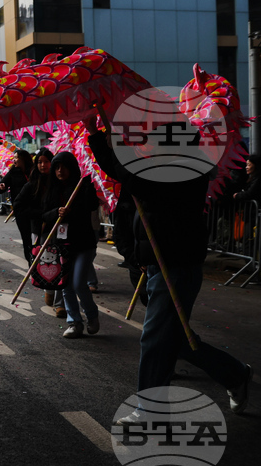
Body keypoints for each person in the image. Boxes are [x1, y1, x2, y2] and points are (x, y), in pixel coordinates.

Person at [85, 118, 252, 421]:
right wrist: (103, 135)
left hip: (176, 265)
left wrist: (99, 137)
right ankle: (235, 374)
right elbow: (129, 175)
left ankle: (149, 410)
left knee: (156, 338)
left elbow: (129, 176)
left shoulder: (184, 173)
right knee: (173, 339)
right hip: (161, 264)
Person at [41, 152, 100, 338]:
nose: (60, 171)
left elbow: (91, 207)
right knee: (65, 285)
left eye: (64, 166)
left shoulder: (83, 186)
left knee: (79, 284)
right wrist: (56, 213)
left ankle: (91, 316)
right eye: (57, 167)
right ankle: (74, 322)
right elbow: (44, 214)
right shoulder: (51, 188)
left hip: (83, 243)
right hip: (61, 244)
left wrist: (73, 209)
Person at [12, 149, 66, 318]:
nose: (43, 165)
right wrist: (40, 215)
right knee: (47, 263)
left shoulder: (59, 181)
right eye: (40, 162)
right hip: (41, 230)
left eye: (47, 161)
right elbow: (18, 206)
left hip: (60, 229)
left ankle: (60, 303)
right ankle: (49, 289)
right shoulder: (32, 184)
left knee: (61, 264)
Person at [0, 150, 35, 264]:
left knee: (36, 236)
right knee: (26, 238)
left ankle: (39, 260)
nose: (14, 160)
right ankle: (30, 261)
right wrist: (2, 186)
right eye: (13, 157)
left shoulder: (34, 170)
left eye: (16, 157)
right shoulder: (13, 172)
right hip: (20, 210)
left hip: (36, 209)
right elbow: (1, 185)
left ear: (23, 159)